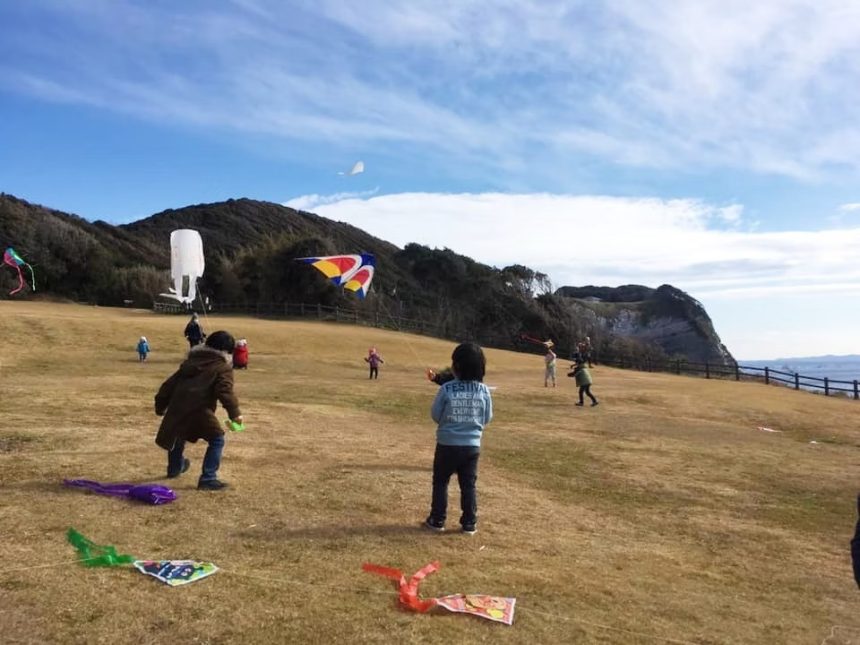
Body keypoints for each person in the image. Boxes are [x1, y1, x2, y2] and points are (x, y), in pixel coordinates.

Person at [154, 331, 243, 491]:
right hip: (199, 409)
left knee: (178, 435)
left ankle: (175, 468)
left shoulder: (189, 363)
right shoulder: (222, 367)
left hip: (177, 407)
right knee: (217, 439)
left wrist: (160, 406)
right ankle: (208, 478)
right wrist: (235, 414)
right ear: (227, 351)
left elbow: (168, 386)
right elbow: (225, 391)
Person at [424, 343, 493, 535]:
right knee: (468, 484)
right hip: (472, 446)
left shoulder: (447, 389)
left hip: (447, 444)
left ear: (456, 366)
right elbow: (487, 418)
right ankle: (469, 523)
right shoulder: (484, 391)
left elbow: (436, 415)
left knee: (440, 482)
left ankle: (437, 520)